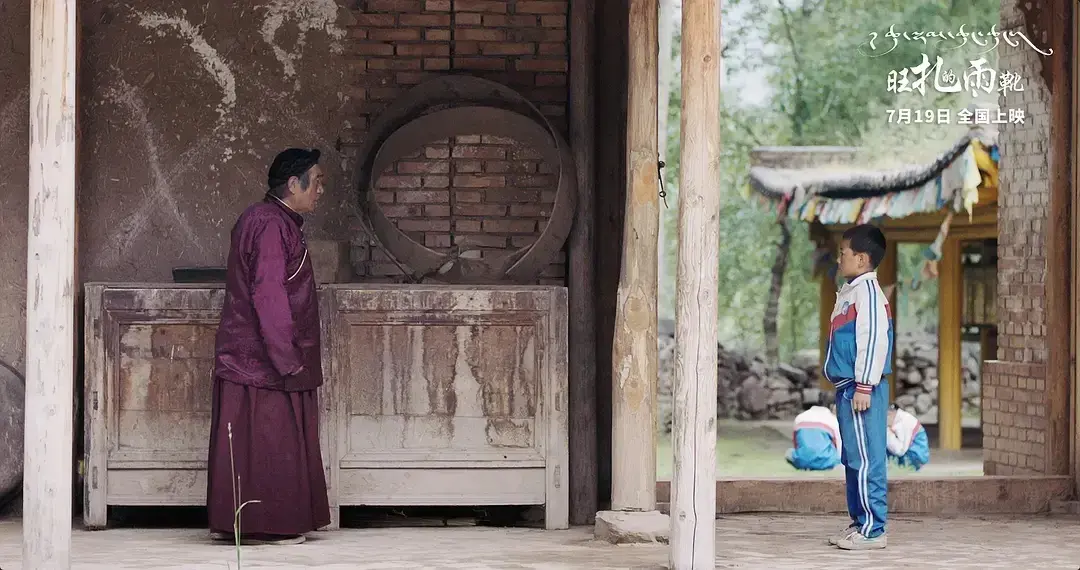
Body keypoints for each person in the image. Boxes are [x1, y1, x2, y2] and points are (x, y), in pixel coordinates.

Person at [205, 148, 330, 545]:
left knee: (259, 445)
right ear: (294, 184)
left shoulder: (275, 221)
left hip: (260, 359)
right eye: (318, 181)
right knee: (267, 443)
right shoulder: (269, 223)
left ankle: (254, 524)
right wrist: (287, 360)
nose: (321, 190)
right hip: (261, 364)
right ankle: (267, 526)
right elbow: (269, 294)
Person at [823, 224, 893, 551]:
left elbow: (873, 340)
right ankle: (859, 522)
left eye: (844, 253)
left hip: (862, 390)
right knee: (853, 457)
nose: (839, 258)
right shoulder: (851, 291)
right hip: (849, 389)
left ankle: (874, 529)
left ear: (862, 259)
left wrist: (865, 386)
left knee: (867, 458)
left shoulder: (867, 294)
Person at [785, 400, 842, 471]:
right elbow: (838, 445)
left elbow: (796, 443)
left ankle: (805, 465)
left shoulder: (800, 418)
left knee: (789, 453)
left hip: (802, 461)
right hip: (826, 462)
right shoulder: (832, 420)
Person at [887, 405, 930, 471]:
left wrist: (887, 432)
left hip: (915, 457)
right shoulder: (901, 418)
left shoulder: (904, 420)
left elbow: (899, 450)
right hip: (913, 454)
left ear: (890, 413)